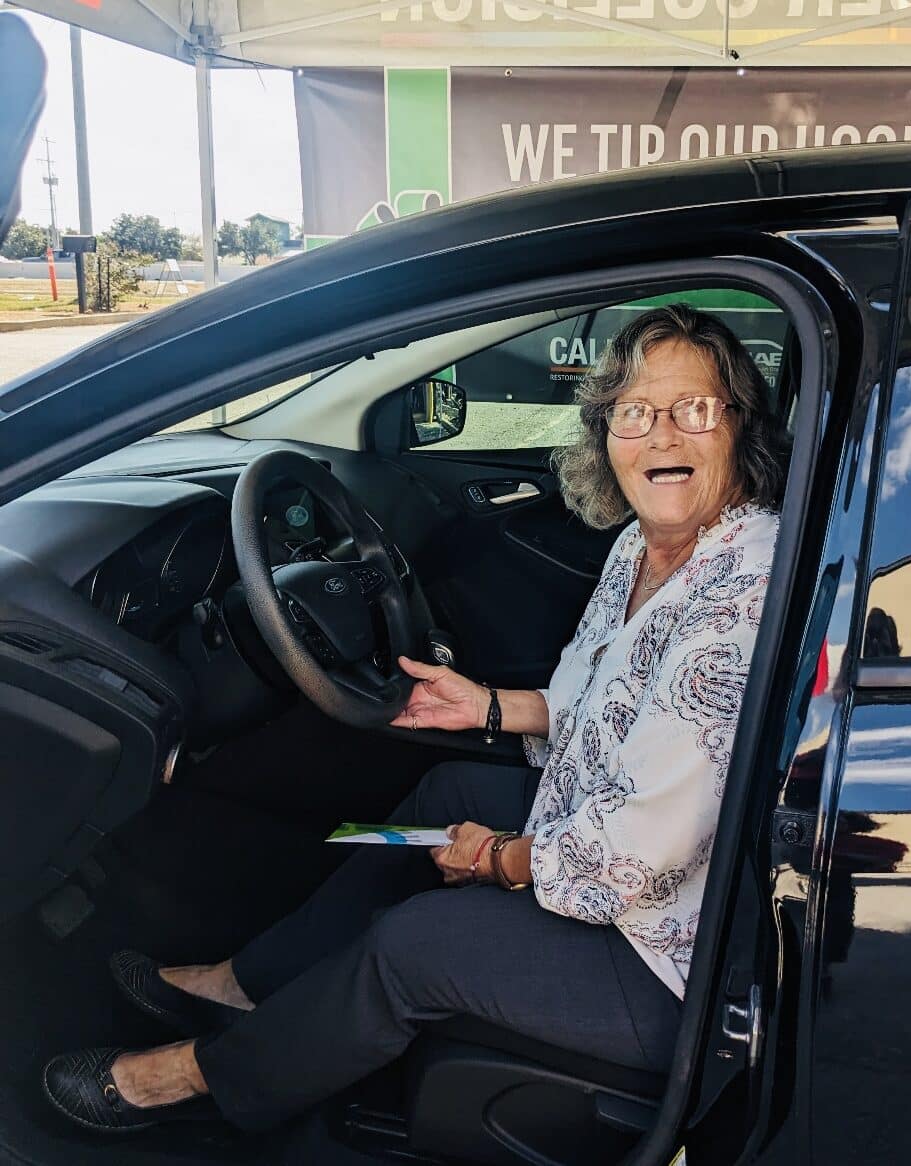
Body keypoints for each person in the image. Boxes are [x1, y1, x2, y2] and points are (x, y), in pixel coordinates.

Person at [42, 303, 785, 1134]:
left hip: (676, 951)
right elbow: (616, 706)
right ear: (605, 429)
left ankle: (193, 1079)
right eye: (635, 412)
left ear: (738, 429)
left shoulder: (739, 592)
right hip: (643, 861)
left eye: (694, 410)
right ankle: (246, 985)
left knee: (417, 945)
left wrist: (500, 859)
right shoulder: (647, 546)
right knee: (444, 792)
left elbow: (631, 858)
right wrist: (489, 707)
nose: (664, 439)